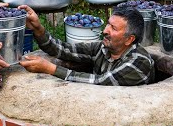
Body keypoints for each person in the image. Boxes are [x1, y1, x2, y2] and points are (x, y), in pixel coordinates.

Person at [18, 5, 155, 85]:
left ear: (129, 40)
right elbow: (63, 50)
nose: (105, 30)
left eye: (113, 28)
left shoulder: (139, 62)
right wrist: (37, 28)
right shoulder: (102, 48)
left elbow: (101, 81)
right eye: (108, 23)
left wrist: (51, 69)